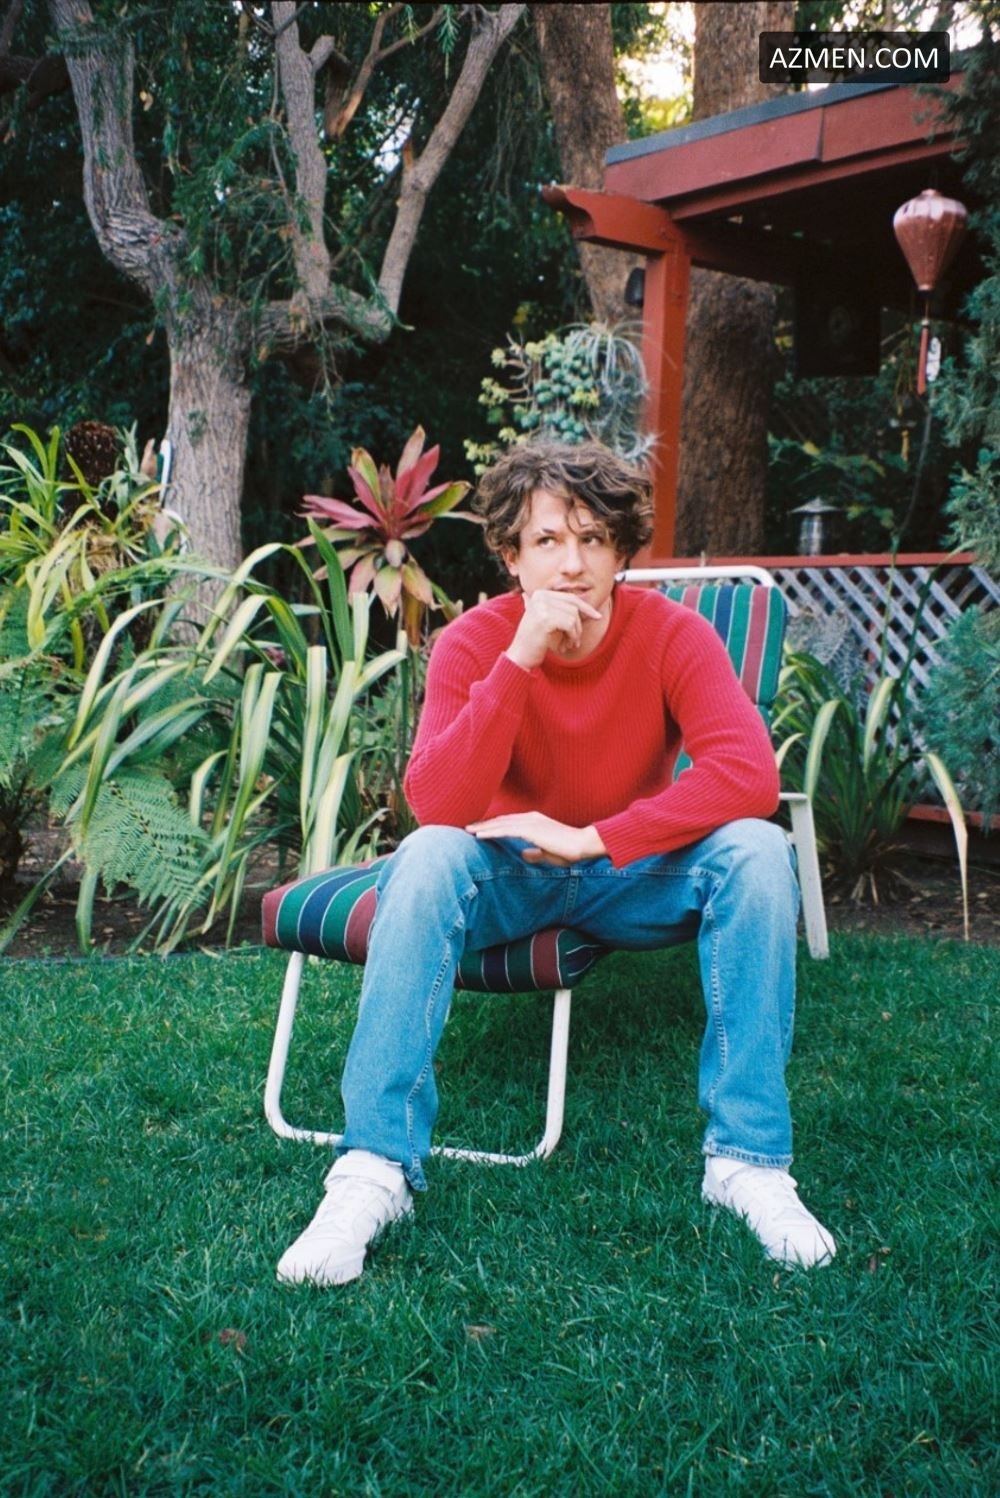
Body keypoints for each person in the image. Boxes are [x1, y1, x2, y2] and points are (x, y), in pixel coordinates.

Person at [277, 440, 836, 1286]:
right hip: (512, 873)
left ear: (620, 552)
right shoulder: (473, 642)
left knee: (758, 849)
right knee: (426, 855)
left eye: (593, 538)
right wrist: (521, 658)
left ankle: (746, 1163)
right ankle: (374, 1169)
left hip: (630, 874)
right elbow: (438, 802)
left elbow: (748, 775)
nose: (571, 563)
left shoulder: (672, 634)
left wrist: (601, 837)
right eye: (547, 540)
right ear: (511, 555)